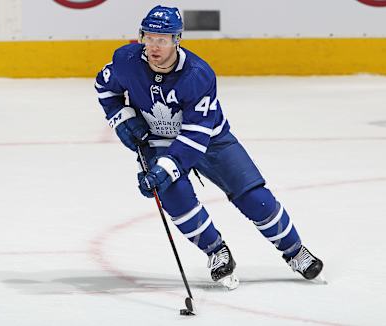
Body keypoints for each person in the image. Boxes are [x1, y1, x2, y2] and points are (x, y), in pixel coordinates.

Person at [95, 5, 324, 289]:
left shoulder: (198, 75)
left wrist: (164, 168)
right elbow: (105, 87)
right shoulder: (125, 60)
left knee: (254, 197)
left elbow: (194, 136)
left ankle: (295, 251)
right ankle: (216, 251)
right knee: (176, 199)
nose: (154, 46)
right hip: (158, 141)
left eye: (162, 39)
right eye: (149, 37)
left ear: (177, 39)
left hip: (210, 138)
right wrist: (123, 119)